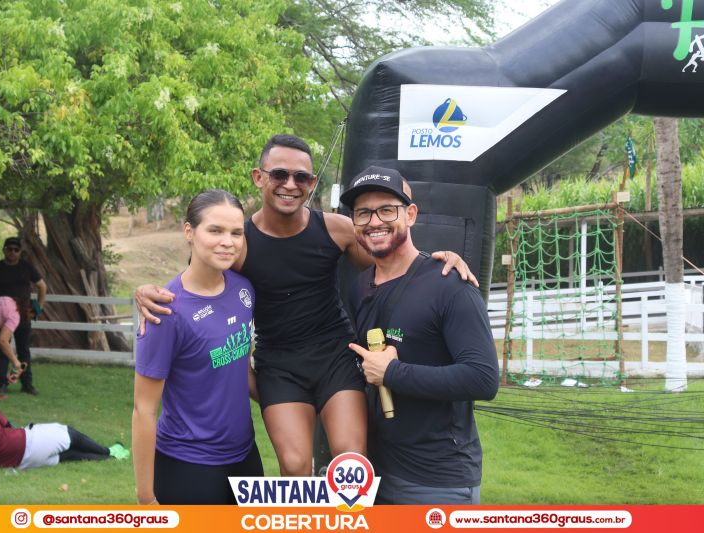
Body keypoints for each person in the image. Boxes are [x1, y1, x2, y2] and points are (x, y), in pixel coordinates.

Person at [136, 134, 479, 476]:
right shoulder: (240, 243)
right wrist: (147, 292)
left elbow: (394, 261)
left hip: (335, 356)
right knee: (295, 464)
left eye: (301, 177)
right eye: (279, 174)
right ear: (259, 177)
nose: (290, 184)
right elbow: (198, 283)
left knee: (350, 460)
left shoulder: (336, 229)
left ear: (312, 183)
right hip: (279, 364)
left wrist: (438, 261)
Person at [342, 166, 499, 505]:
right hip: (373, 473)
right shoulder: (359, 287)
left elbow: (483, 379)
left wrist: (393, 373)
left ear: (410, 215)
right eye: (363, 213)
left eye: (387, 210)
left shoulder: (449, 284)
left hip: (435, 480)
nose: (374, 222)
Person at [132, 189, 262, 505]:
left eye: (236, 233)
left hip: (245, 457)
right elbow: (144, 410)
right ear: (189, 231)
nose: (227, 242)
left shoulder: (244, 290)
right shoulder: (164, 311)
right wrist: (146, 497)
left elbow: (240, 369)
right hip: (188, 465)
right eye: (215, 230)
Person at [0, 236, 47, 396]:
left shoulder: (27, 267)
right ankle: (2, 384)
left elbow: (42, 286)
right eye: (9, 249)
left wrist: (39, 308)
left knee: (23, 349)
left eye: (16, 250)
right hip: (1, 316)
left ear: (20, 252)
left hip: (23, 315)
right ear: (4, 250)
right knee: (2, 349)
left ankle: (27, 384)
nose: (12, 252)